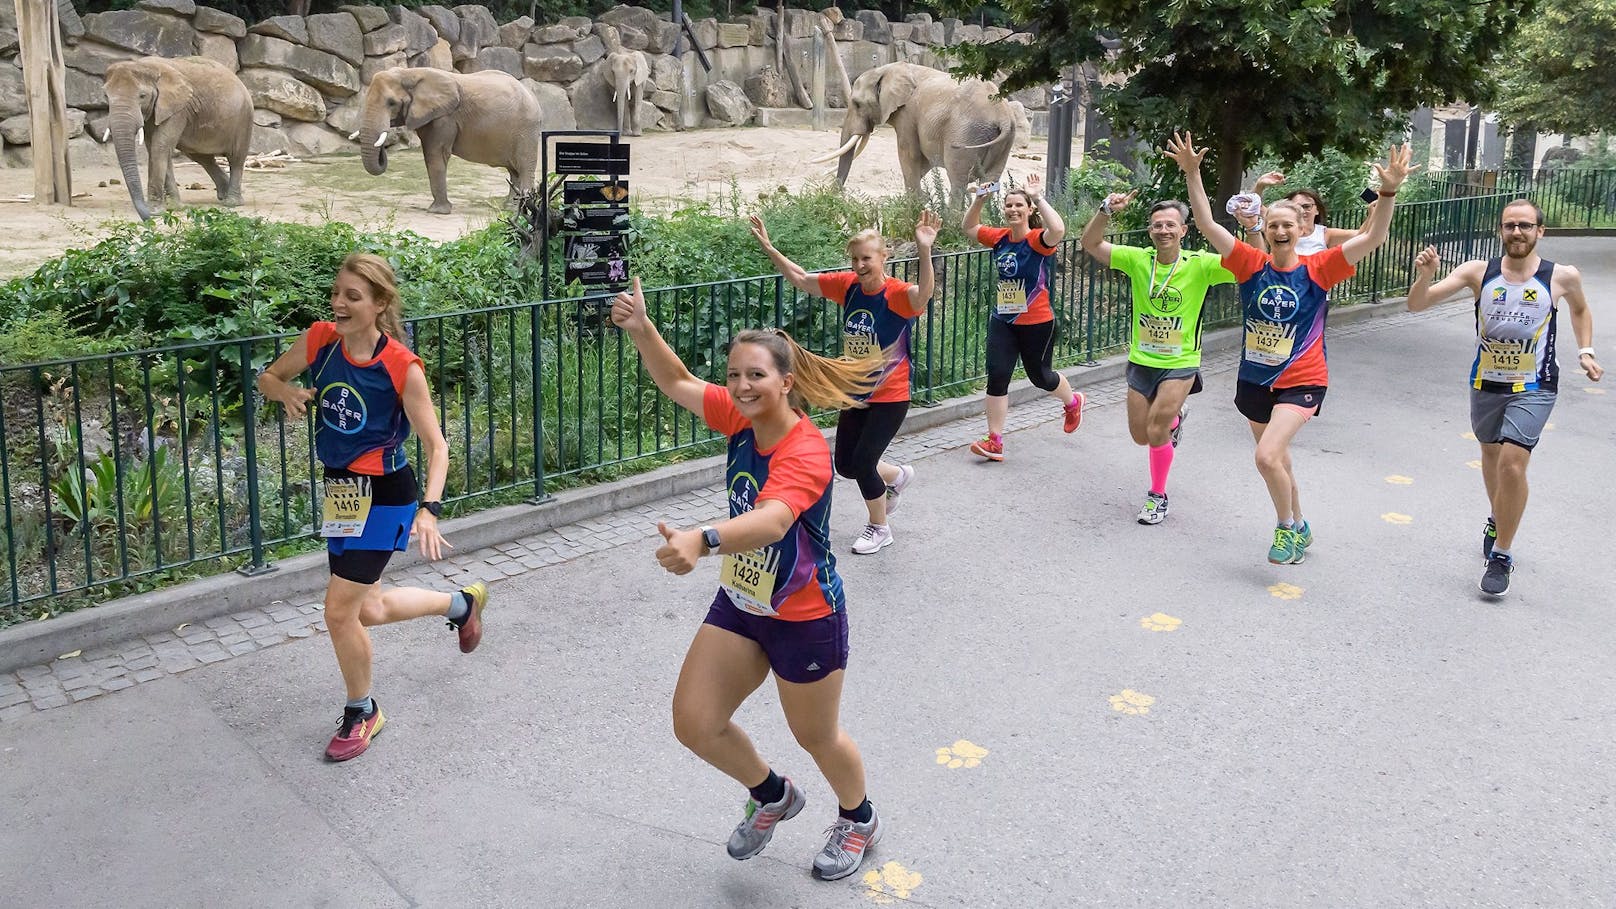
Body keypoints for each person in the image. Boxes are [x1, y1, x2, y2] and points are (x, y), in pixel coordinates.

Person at [609, 277, 885, 881]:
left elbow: (773, 519)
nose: (740, 386)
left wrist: (703, 539)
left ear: (786, 382)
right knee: (695, 723)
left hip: (805, 614)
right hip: (742, 601)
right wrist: (642, 330)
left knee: (817, 736)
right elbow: (679, 381)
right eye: (734, 375)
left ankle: (858, 818)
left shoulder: (806, 449)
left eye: (754, 375)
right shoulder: (738, 418)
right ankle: (771, 795)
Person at [257, 252, 490, 762]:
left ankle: (362, 710)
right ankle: (460, 605)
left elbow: (438, 446)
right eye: (337, 294)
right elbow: (268, 376)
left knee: (339, 612)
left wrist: (428, 510)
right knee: (369, 607)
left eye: (353, 297)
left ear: (380, 304)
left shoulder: (401, 367)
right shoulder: (320, 340)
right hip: (340, 491)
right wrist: (283, 391)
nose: (339, 304)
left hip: (386, 494)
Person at [1168, 132, 1415, 564]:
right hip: (1255, 379)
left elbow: (1373, 237)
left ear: (1303, 229)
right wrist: (1192, 172)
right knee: (1278, 460)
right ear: (1264, 228)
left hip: (1303, 379)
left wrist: (1389, 191)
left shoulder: (1321, 267)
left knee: (1265, 456)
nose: (1281, 230)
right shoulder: (1249, 263)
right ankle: (1300, 523)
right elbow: (1207, 224)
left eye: (1289, 224)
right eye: (1273, 224)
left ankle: (1285, 529)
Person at [1406, 199, 1602, 595]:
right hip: (1487, 382)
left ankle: (1502, 555)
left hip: (1536, 383)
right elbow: (1417, 304)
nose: (1517, 232)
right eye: (1510, 225)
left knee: (1513, 464)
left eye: (1526, 226)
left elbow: (1581, 311)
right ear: (1500, 230)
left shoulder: (1561, 276)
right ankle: (1499, 516)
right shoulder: (1479, 272)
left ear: (1539, 232)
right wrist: (1424, 276)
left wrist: (1586, 350)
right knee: (1493, 457)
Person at [748, 210, 941, 554]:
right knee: (846, 464)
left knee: (864, 462)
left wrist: (925, 249)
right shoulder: (848, 288)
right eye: (855, 258)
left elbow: (923, 294)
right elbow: (802, 278)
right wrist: (770, 248)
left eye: (866, 258)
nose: (859, 265)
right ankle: (895, 477)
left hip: (890, 396)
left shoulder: (895, 294)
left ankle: (879, 527)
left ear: (884, 257)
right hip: (855, 392)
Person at [1080, 191, 1237, 524]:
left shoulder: (1202, 264)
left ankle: (1157, 496)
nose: (1163, 230)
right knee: (1141, 435)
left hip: (1180, 363)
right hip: (1142, 360)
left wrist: (1254, 227)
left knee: (1155, 431)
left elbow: (1248, 263)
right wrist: (1105, 210)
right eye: (1156, 225)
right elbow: (1091, 244)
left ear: (1184, 230)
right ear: (1150, 231)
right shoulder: (1139, 259)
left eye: (1170, 225)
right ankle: (1175, 421)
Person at [962, 174, 1086, 460]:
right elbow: (968, 226)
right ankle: (994, 440)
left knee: (1040, 377)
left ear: (1029, 211)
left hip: (1037, 322)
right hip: (1003, 320)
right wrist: (980, 199)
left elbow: (1058, 229)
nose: (1013, 209)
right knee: (997, 376)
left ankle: (1072, 401)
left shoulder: (1037, 240)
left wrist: (1039, 196)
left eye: (1019, 205)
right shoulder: (999, 238)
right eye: (1009, 205)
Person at [1248, 172, 1371, 254]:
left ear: (1317, 209)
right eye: (1296, 207)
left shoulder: (1325, 234)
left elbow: (1363, 235)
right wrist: (1260, 185)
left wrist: (1374, 212)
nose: (1302, 211)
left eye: (1307, 206)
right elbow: (1252, 207)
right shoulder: (1279, 226)